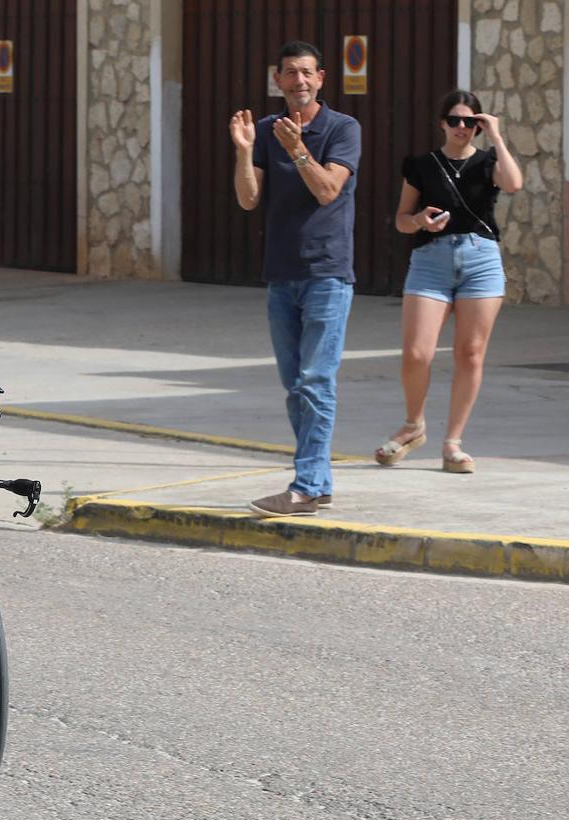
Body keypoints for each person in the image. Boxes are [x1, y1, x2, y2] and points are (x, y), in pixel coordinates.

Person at [229, 40, 362, 517]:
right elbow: (248, 199)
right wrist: (246, 152)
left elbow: (328, 192)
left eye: (307, 73)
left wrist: (299, 149)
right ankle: (318, 482)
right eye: (290, 73)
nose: (299, 81)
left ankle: (305, 486)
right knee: (296, 385)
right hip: (281, 276)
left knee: (315, 381)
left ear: (321, 79)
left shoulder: (343, 128)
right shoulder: (266, 131)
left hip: (327, 274)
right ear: (278, 79)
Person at [374, 90, 522, 473]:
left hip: (481, 260)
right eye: (454, 120)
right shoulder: (422, 165)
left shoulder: (489, 161)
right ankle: (413, 425)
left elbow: (514, 184)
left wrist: (498, 138)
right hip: (431, 261)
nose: (462, 128)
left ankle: (453, 443)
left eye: (470, 122)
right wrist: (421, 220)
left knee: (470, 354)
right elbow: (401, 219)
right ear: (442, 123)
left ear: (479, 125)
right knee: (417, 353)